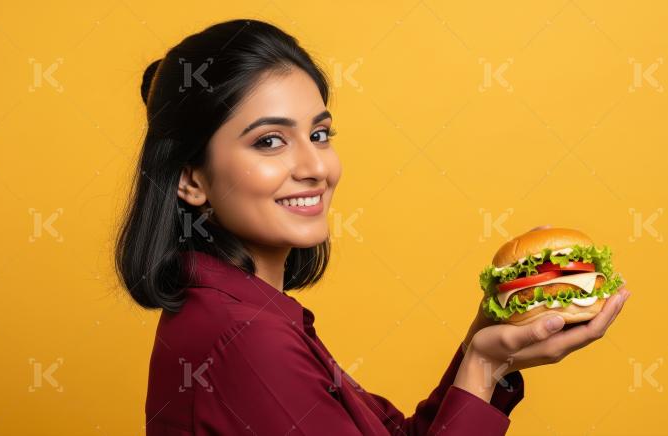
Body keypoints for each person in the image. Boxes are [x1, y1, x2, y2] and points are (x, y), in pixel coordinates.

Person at [115, 19, 630, 435]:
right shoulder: (247, 341)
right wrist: (479, 367)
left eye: (319, 133)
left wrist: (489, 351)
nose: (315, 166)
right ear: (191, 179)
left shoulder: (248, 316)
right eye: (269, 141)